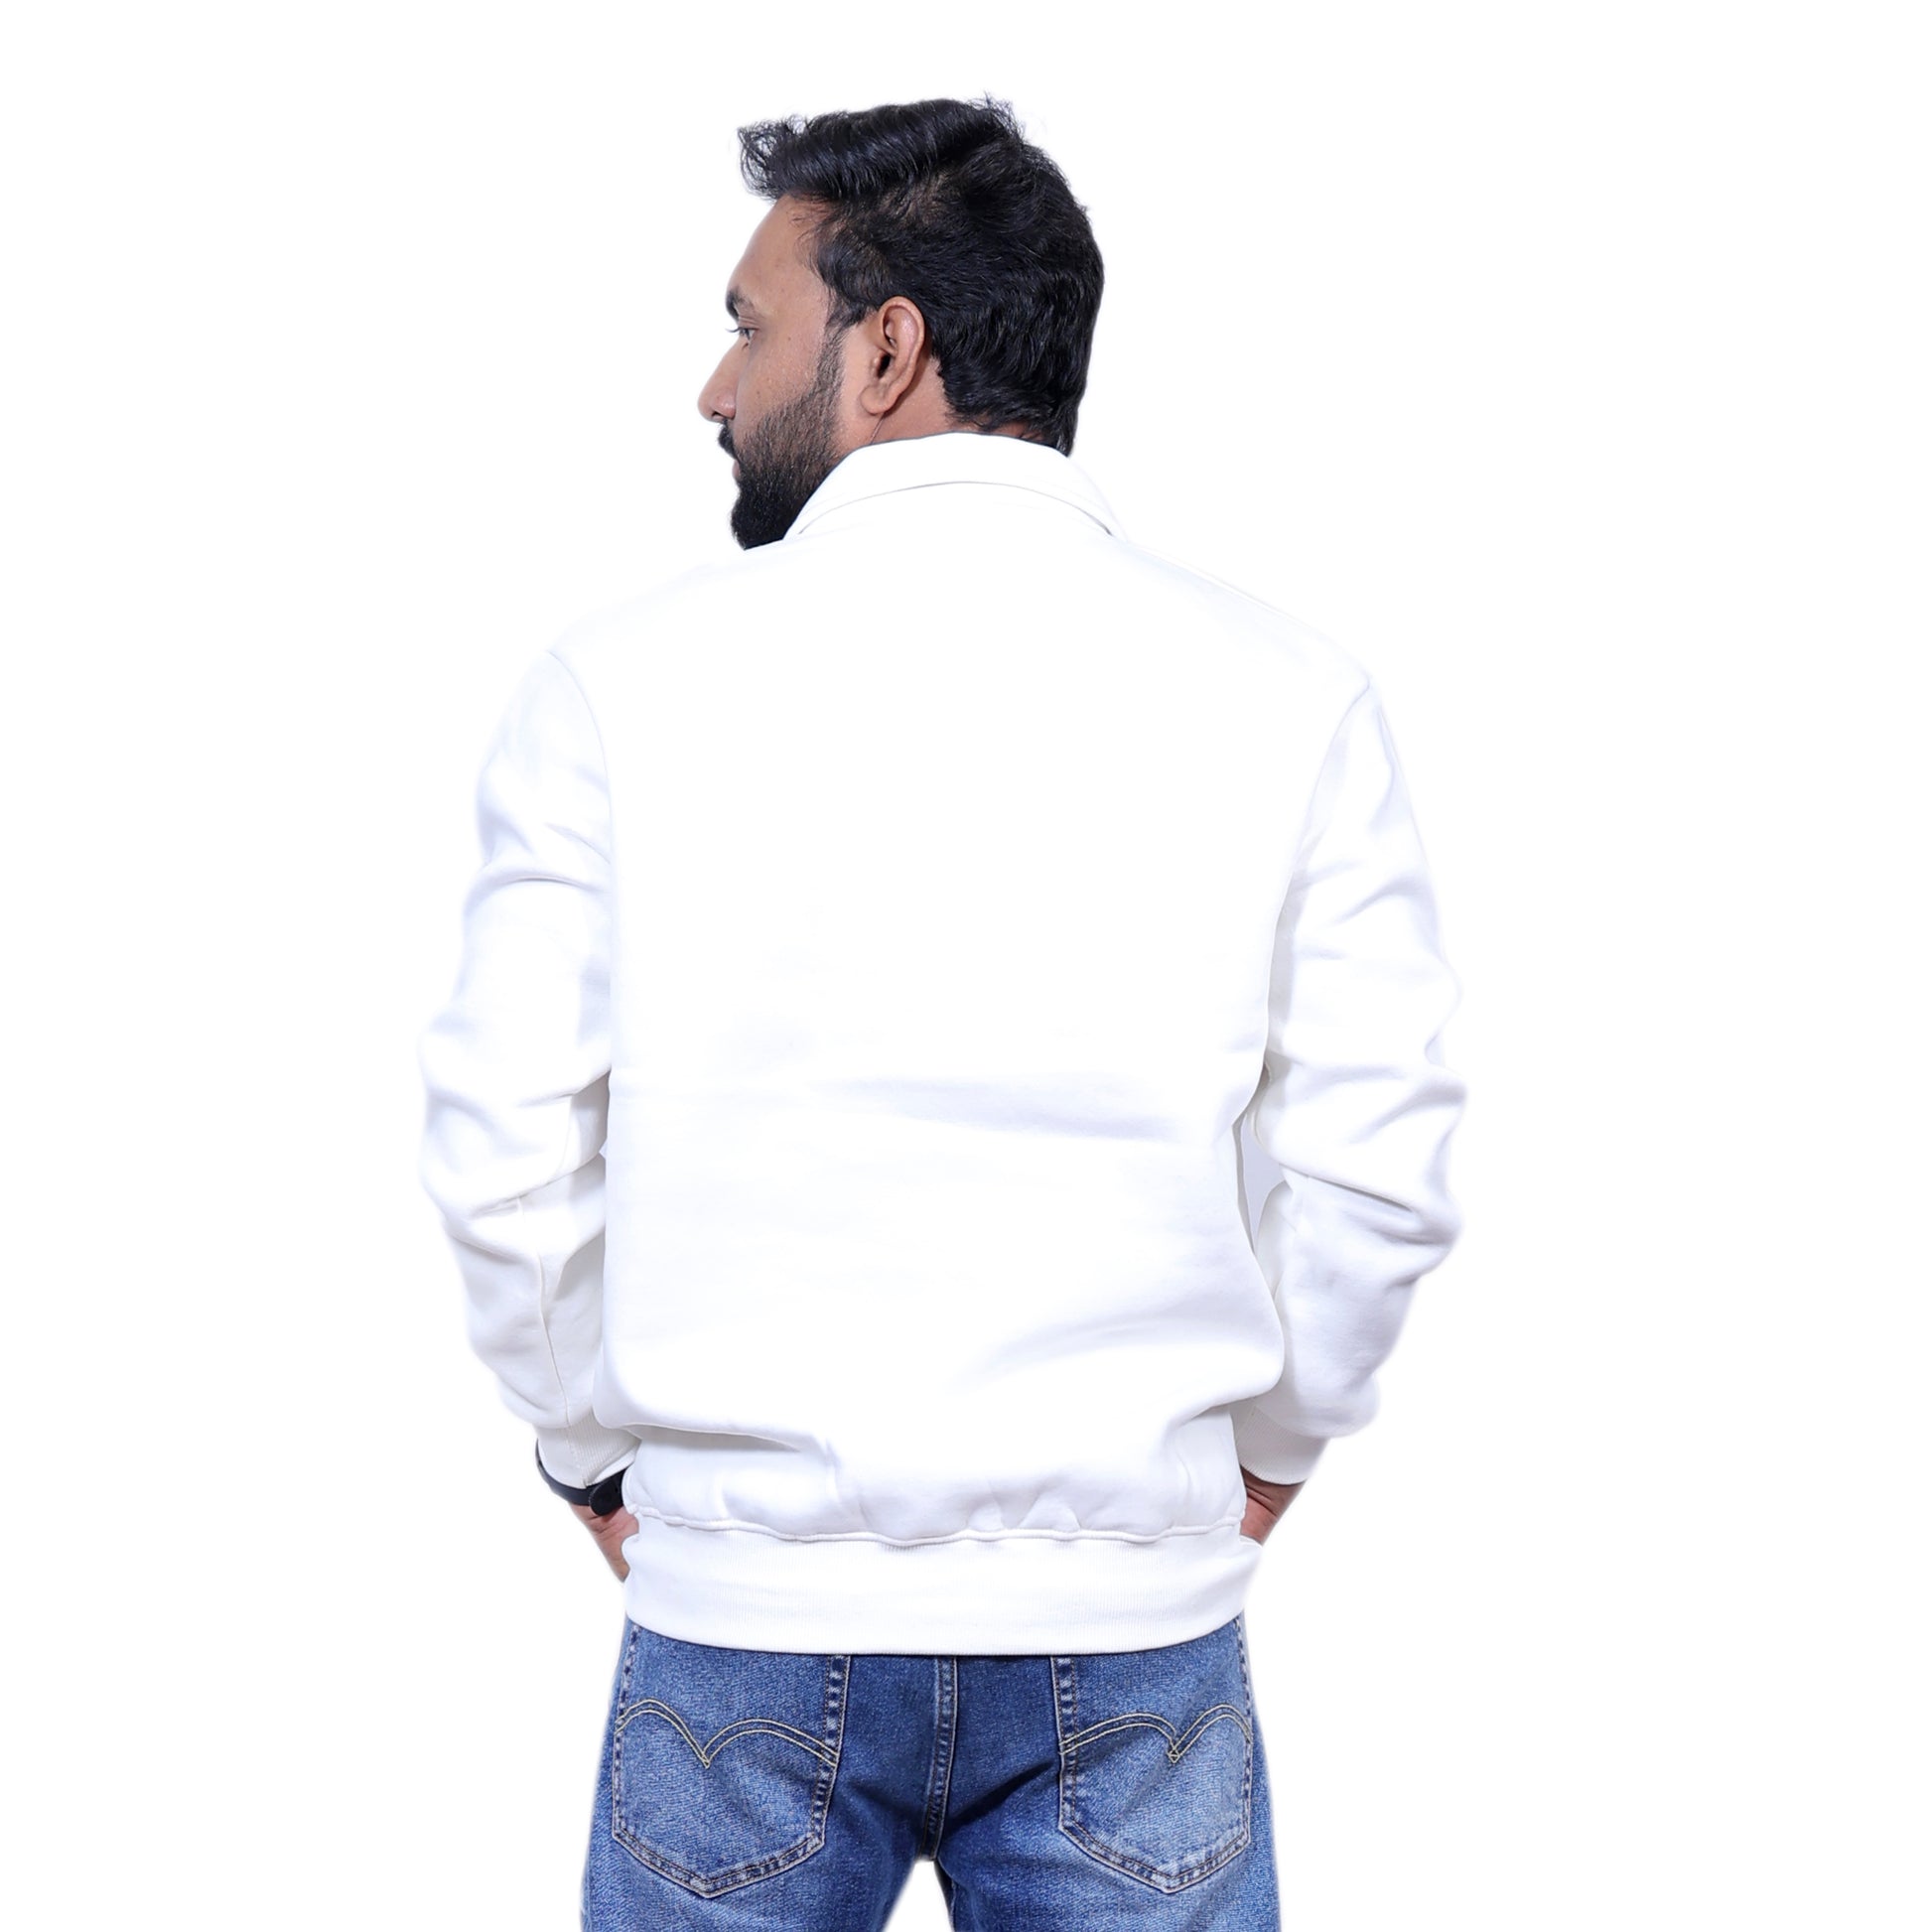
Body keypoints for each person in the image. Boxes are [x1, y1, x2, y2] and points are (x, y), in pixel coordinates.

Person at [417, 94, 1465, 1932]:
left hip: (742, 1623)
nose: (713, 388)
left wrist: (591, 1448)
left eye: (749, 325)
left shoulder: (614, 687)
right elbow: (1374, 1163)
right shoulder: (1289, 691)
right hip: (1131, 1630)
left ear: (887, 348)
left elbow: (507, 1156)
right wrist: (1265, 1457)